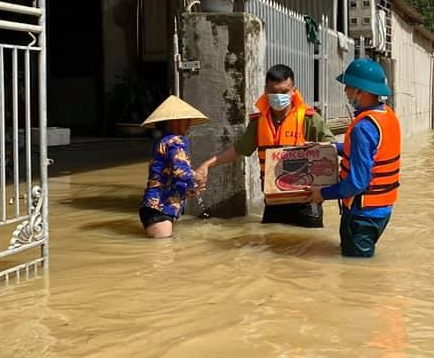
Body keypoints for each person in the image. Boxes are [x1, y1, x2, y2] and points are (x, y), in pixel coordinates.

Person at [194, 64, 334, 227]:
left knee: (309, 242)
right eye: (273, 92)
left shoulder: (310, 119)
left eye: (284, 92)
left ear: (293, 91)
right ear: (266, 90)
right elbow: (239, 149)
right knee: (270, 240)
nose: (278, 97)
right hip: (274, 201)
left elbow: (333, 148)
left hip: (307, 201)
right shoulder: (258, 122)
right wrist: (207, 165)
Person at [308, 58, 401, 258]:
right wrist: (333, 148)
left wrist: (322, 194)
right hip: (382, 210)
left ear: (362, 91)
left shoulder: (363, 128)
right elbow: (368, 153)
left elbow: (357, 183)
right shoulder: (387, 115)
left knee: (355, 270)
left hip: (362, 215)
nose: (346, 92)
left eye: (349, 87)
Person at [139, 95, 210, 238]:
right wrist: (198, 176)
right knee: (163, 249)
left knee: (162, 247)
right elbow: (180, 171)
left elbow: (168, 176)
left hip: (153, 206)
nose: (189, 123)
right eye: (186, 119)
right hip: (160, 208)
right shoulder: (175, 141)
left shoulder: (161, 142)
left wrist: (187, 190)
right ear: (175, 121)